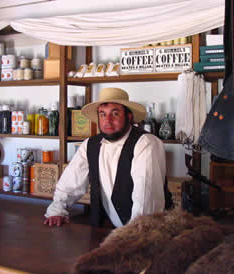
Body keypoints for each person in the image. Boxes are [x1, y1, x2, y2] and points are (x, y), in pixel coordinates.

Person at [43, 87, 168, 227]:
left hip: (149, 234)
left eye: (115, 114)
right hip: (113, 230)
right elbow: (70, 183)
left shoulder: (145, 143)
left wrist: (132, 237)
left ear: (129, 116)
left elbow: (146, 200)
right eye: (102, 114)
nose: (107, 120)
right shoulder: (91, 144)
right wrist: (57, 210)